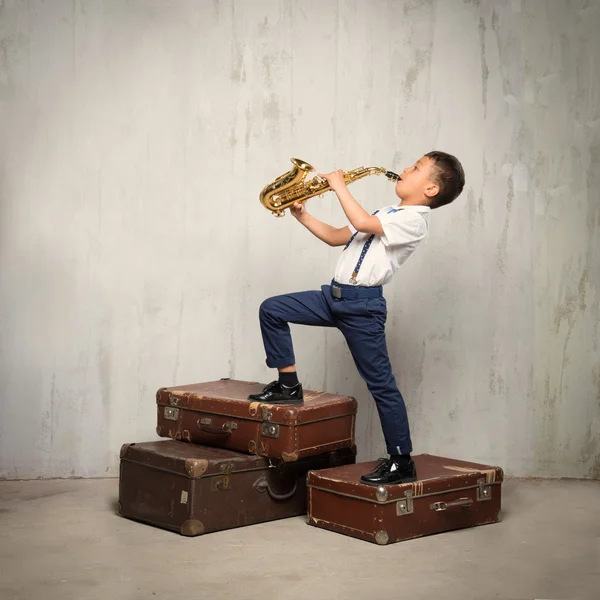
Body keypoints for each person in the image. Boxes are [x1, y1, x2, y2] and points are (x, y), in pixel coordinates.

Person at [248, 151, 465, 485]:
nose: (405, 169)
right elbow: (337, 236)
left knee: (382, 386)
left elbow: (362, 223)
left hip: (362, 308)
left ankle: (400, 459)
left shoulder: (414, 220)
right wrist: (302, 215)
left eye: (416, 168)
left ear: (431, 190)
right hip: (332, 298)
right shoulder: (388, 212)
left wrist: (339, 187)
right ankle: (289, 386)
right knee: (272, 309)